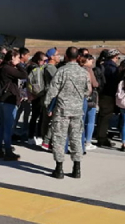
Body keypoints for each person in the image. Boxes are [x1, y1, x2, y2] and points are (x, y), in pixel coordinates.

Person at [45, 47, 91, 179]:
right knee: (76, 138)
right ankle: (77, 168)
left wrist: (48, 106)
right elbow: (88, 91)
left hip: (62, 110)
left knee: (59, 138)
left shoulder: (62, 71)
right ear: (78, 57)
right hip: (77, 110)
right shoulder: (84, 73)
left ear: (66, 56)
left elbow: (53, 91)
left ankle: (59, 169)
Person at [0, 49, 28, 161]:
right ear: (12, 58)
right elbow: (24, 75)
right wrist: (19, 65)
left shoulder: (3, 67)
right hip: (8, 100)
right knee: (7, 127)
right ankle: (7, 150)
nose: (19, 60)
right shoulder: (8, 69)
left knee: (2, 125)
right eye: (17, 58)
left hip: (2, 100)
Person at [94, 48, 121, 148]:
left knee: (102, 116)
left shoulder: (103, 65)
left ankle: (100, 135)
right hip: (109, 94)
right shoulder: (113, 68)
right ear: (115, 57)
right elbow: (114, 82)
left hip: (102, 93)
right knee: (106, 116)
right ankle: (102, 138)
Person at [39, 47, 60, 149]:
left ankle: (45, 140)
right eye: (57, 55)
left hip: (45, 95)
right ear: (52, 57)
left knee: (46, 120)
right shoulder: (51, 68)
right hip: (50, 96)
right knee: (51, 120)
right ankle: (47, 141)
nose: (59, 57)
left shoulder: (47, 67)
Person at [80, 52, 99, 152]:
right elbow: (94, 83)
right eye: (91, 61)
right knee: (90, 120)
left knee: (81, 120)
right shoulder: (88, 70)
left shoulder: (79, 69)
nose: (92, 63)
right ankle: (87, 141)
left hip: (80, 97)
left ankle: (79, 140)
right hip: (89, 97)